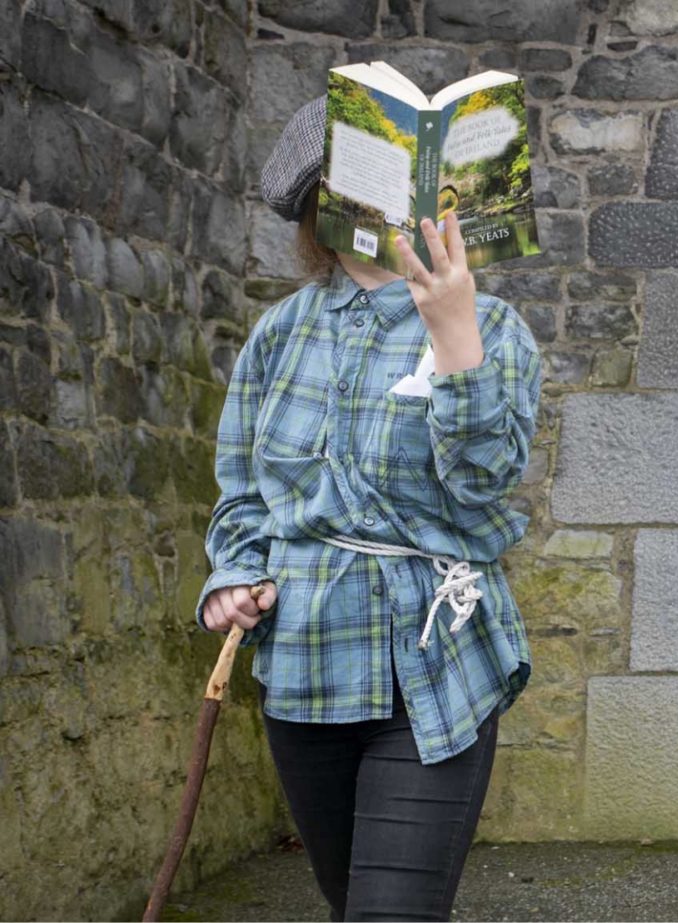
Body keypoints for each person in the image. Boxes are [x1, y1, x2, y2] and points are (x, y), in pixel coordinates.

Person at [198, 97, 541, 921]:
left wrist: (453, 337)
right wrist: (234, 578)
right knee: (350, 902)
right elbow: (243, 494)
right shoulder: (277, 335)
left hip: (436, 672)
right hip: (305, 672)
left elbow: (484, 486)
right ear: (326, 208)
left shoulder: (494, 328)